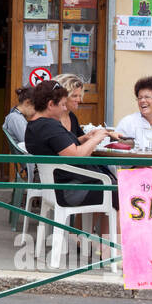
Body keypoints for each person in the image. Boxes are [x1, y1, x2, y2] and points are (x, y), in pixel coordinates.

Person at [24, 80, 112, 208]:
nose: (65, 108)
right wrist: (97, 138)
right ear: (50, 104)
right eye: (63, 105)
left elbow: (59, 148)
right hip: (69, 191)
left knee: (113, 187)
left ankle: (80, 229)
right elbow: (74, 156)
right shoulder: (49, 126)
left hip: (58, 187)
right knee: (122, 193)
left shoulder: (34, 125)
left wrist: (85, 138)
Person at [53, 73, 86, 138]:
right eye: (74, 96)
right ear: (62, 97)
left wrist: (94, 135)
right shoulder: (52, 120)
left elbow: (78, 139)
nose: (79, 100)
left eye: (80, 96)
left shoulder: (72, 116)